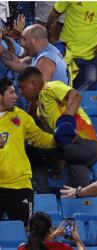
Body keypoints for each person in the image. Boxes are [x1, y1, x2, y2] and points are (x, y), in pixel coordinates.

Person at [17, 67, 97, 193]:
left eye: (22, 87)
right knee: (76, 195)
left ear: (34, 84)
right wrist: (59, 163)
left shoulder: (50, 88)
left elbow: (76, 95)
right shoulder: (40, 111)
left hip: (81, 141)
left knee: (31, 146)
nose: (20, 92)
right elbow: (53, 140)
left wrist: (66, 123)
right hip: (83, 154)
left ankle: (42, 192)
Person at [0, 78, 58, 228]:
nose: (16, 96)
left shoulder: (21, 116)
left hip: (19, 184)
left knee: (26, 230)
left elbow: (39, 138)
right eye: (11, 92)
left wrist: (60, 139)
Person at [0, 24, 70, 118]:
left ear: (36, 40)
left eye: (24, 39)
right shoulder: (44, 53)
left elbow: (37, 97)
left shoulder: (45, 61)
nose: (21, 43)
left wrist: (29, 124)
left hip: (53, 118)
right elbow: (17, 63)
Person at [47, 1, 97, 91]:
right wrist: (51, 38)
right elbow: (53, 15)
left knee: (83, 96)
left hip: (90, 57)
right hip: (66, 54)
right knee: (60, 94)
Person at [18, 212, 86, 250]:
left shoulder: (22, 248)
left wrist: (52, 237)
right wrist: (77, 240)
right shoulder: (61, 247)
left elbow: (41, 243)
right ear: (50, 230)